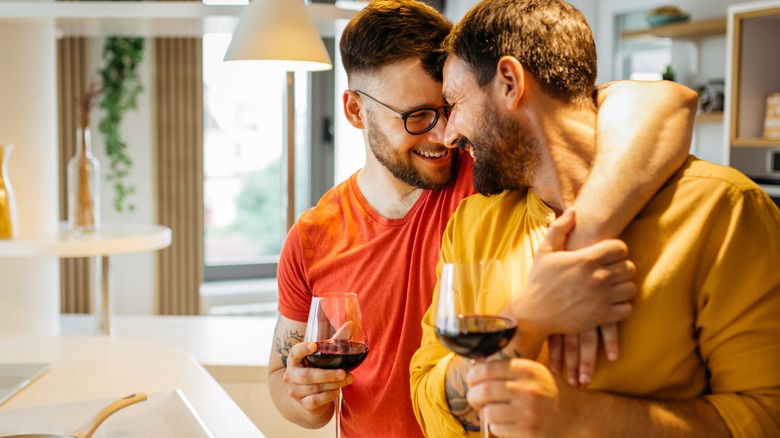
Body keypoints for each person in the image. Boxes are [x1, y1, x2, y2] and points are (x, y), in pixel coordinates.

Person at [269, 1, 699, 436]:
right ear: (355, 111)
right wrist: (305, 397)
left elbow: (664, 101)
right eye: (418, 116)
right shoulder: (312, 235)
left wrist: (584, 234)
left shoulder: (491, 174)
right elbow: (280, 378)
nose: (445, 134)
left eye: (450, 106)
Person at [409, 0, 780, 436]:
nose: (449, 134)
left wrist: (580, 417)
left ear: (510, 82)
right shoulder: (473, 223)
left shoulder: (723, 209)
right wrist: (526, 320)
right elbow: (426, 394)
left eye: (454, 103)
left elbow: (766, 418)